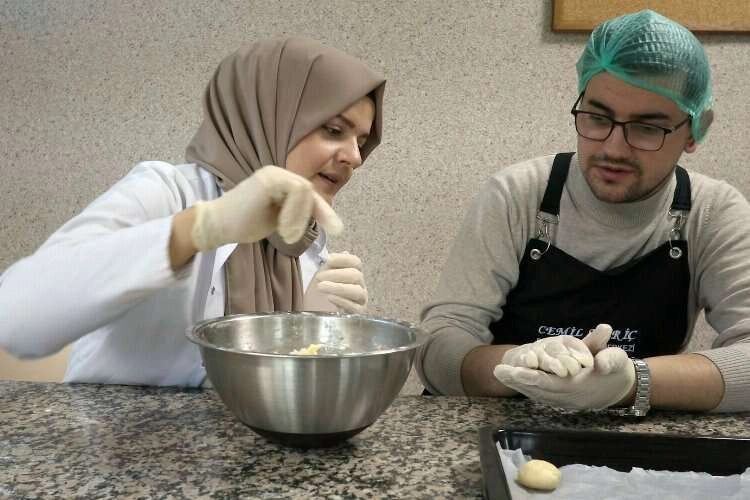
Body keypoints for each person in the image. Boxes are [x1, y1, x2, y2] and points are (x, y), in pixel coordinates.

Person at [0, 37, 386, 386]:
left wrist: (313, 325)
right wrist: (196, 230)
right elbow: (14, 317)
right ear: (267, 118)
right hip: (114, 435)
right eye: (334, 130)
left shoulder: (301, 237)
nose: (355, 157)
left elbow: (271, 387)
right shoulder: (168, 192)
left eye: (361, 141)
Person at [416, 10, 750, 414]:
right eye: (597, 117)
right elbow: (437, 346)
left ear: (694, 131)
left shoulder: (712, 213)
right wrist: (513, 364)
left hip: (634, 438)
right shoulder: (517, 195)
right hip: (495, 430)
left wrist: (632, 383)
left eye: (647, 128)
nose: (613, 148)